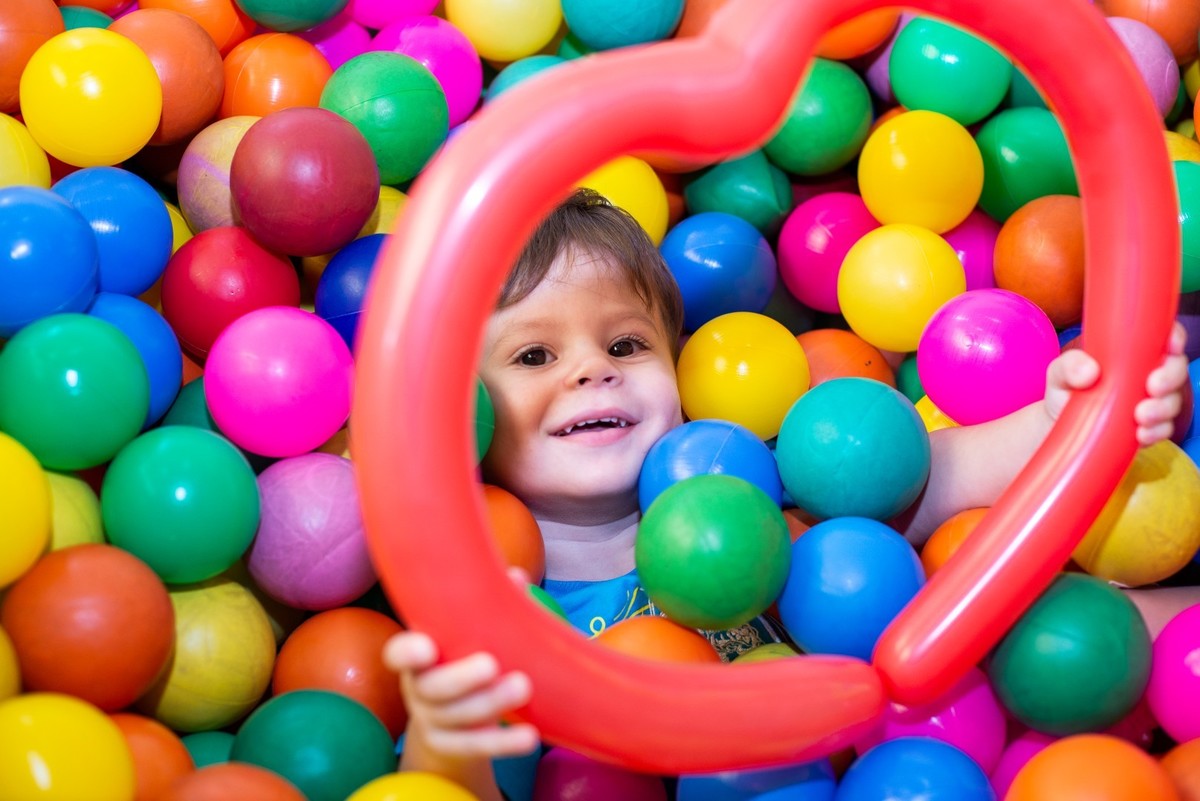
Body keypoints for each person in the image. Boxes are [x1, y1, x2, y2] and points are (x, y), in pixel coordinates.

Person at [383, 188, 1192, 800]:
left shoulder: (759, 484)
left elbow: (941, 475)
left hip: (903, 758)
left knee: (1100, 623)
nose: (591, 369)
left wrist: (1076, 417)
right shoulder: (495, 616)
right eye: (533, 357)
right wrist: (447, 734)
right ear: (468, 412)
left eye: (625, 343)